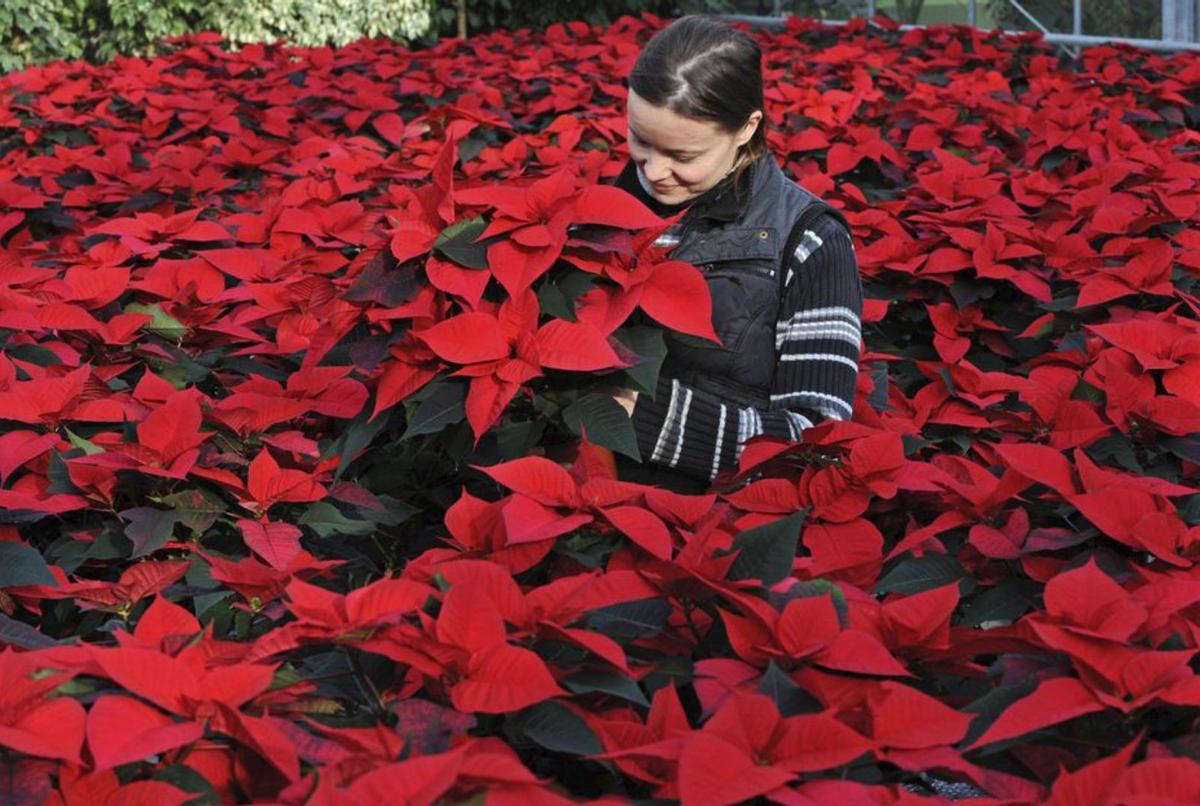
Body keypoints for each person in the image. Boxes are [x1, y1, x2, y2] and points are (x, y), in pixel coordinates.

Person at [607, 14, 864, 492]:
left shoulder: (811, 240)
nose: (655, 171)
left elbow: (814, 443)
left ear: (746, 129)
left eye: (683, 156)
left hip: (712, 520)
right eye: (640, 140)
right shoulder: (599, 218)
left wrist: (644, 418)